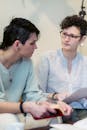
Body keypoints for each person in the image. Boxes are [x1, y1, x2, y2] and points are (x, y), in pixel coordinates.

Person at [0, 17, 72, 129]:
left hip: (17, 112)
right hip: (7, 115)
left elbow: (32, 94)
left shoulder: (27, 63)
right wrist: (25, 107)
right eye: (32, 43)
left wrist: (54, 105)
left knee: (54, 117)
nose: (36, 47)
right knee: (9, 121)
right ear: (17, 44)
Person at [37, 15, 87, 123]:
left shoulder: (85, 62)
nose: (66, 39)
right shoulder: (47, 59)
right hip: (57, 110)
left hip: (83, 110)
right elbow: (36, 93)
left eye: (72, 36)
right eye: (64, 34)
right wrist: (55, 96)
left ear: (82, 39)